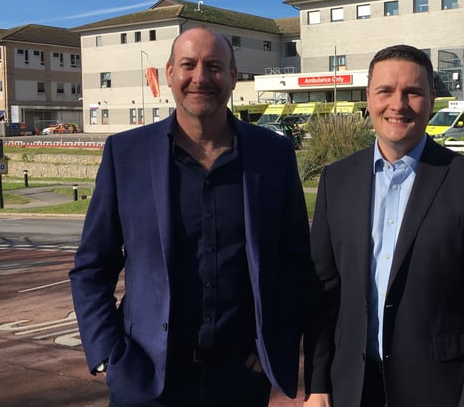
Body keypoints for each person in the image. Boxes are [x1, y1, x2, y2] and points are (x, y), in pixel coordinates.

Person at [69, 26, 311, 406]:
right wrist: (106, 354)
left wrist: (273, 347)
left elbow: (294, 262)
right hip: (146, 379)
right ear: (169, 74)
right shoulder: (126, 154)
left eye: (214, 66)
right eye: (188, 65)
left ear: (233, 76)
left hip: (239, 380)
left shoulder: (273, 155)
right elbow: (92, 266)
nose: (200, 77)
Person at [303, 44, 464, 407]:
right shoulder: (336, 180)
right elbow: (324, 290)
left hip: (439, 388)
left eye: (412, 92)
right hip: (353, 387)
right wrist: (318, 383)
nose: (398, 104)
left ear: (432, 99)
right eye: (385, 91)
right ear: (368, 97)